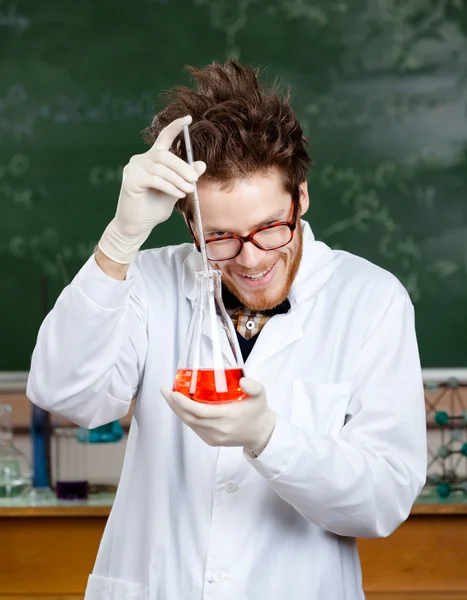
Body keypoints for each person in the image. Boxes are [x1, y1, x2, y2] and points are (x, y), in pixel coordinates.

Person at [27, 59, 427, 600]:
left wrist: (269, 437)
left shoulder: (371, 300)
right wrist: (120, 240)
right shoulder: (148, 280)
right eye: (220, 237)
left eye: (270, 229)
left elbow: (383, 501)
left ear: (301, 197)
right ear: (190, 222)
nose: (251, 258)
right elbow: (66, 394)